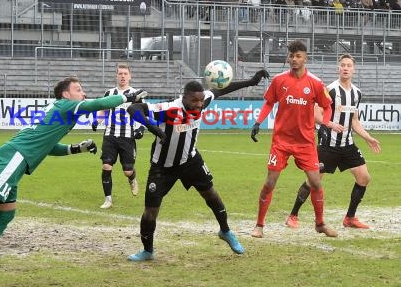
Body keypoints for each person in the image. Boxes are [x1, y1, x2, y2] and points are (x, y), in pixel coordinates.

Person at [0, 77, 147, 276]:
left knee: (6, 213)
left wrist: (76, 148)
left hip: (16, 157)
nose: (83, 93)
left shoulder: (61, 111)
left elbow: (48, 146)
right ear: (66, 94)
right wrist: (128, 97)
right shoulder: (66, 105)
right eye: (79, 89)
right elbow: (98, 104)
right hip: (15, 156)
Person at [125, 69, 270, 261]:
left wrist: (251, 82)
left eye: (201, 101)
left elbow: (221, 91)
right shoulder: (169, 109)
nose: (199, 105)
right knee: (150, 211)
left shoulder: (203, 102)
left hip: (191, 160)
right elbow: (133, 109)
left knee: (211, 193)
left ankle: (225, 231)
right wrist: (152, 126)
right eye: (195, 101)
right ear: (184, 98)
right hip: (162, 167)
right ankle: (148, 251)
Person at [249, 40, 337, 238]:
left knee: (315, 182)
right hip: (281, 141)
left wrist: (324, 124)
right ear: (288, 58)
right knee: (270, 182)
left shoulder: (315, 83)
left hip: (305, 141)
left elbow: (328, 106)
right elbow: (269, 103)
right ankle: (259, 225)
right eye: (291, 56)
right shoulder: (279, 81)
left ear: (305, 58)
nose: (294, 59)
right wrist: (258, 122)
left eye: (298, 56)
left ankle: (320, 223)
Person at [285, 54, 381, 229]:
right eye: (342, 65)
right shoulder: (330, 90)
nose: (345, 68)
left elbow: (354, 121)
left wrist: (368, 138)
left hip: (347, 145)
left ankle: (350, 218)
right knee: (313, 181)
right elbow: (315, 114)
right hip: (328, 145)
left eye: (349, 65)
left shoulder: (357, 93)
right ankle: (293, 215)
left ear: (354, 69)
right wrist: (329, 124)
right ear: (338, 68)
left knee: (364, 177)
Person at [92, 64, 145, 209]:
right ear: (116, 76)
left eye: (125, 73)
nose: (122, 76)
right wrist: (97, 120)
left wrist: (141, 128)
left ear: (130, 76)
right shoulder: (110, 93)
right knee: (106, 165)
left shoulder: (136, 94)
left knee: (127, 170)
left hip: (127, 137)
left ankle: (132, 178)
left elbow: (143, 114)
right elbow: (103, 110)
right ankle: (108, 199)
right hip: (110, 136)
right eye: (120, 73)